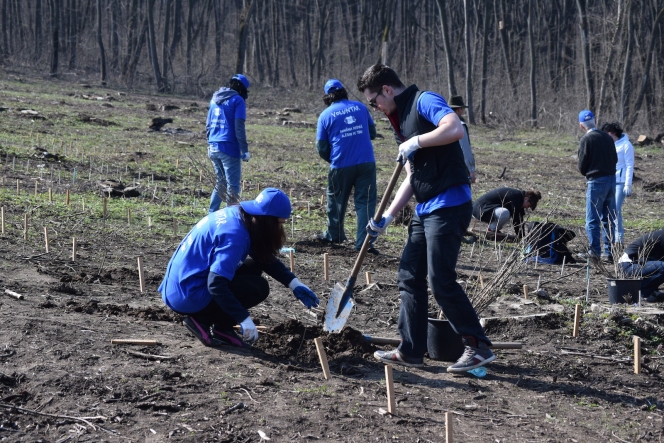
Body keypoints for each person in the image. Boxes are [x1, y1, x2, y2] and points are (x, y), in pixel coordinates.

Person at [357, 64, 494, 373]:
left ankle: (478, 346)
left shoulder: (424, 101)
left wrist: (417, 141)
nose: (375, 108)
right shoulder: (399, 120)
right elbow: (412, 177)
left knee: (440, 279)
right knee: (409, 275)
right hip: (425, 208)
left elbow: (454, 127)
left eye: (373, 100)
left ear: (387, 90)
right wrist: (388, 216)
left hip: (449, 204)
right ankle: (410, 350)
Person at [159, 188, 320, 347]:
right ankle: (201, 320)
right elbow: (215, 284)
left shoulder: (241, 216)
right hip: (186, 295)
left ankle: (222, 328)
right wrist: (243, 318)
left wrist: (294, 283)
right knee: (258, 288)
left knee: (253, 267)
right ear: (267, 221)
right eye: (279, 223)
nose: (280, 229)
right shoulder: (235, 236)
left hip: (183, 283)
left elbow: (262, 257)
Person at [314, 79, 378, 253]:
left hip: (340, 164)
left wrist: (333, 158)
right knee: (365, 203)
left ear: (327, 97)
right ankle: (364, 244)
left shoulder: (325, 115)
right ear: (344, 91)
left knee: (336, 200)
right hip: (366, 162)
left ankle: (334, 235)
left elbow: (321, 147)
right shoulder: (361, 107)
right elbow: (372, 133)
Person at [206, 74, 251, 212]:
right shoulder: (237, 100)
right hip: (228, 147)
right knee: (233, 186)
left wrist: (210, 141)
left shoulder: (215, 98)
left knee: (221, 183)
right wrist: (244, 149)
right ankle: (230, 217)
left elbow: (208, 124)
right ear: (243, 89)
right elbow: (239, 126)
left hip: (213, 145)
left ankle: (211, 214)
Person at [577, 110, 618, 261]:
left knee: (593, 219)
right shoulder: (607, 138)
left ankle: (594, 252)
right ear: (595, 121)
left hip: (596, 182)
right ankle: (609, 253)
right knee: (608, 218)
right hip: (612, 180)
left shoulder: (586, 140)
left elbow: (582, 167)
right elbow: (615, 158)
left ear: (582, 126)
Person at [601, 122, 634, 246]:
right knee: (608, 210)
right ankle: (611, 238)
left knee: (615, 210)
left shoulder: (626, 145)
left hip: (621, 182)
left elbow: (630, 165)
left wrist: (628, 184)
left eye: (607, 133)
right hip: (609, 180)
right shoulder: (608, 144)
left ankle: (619, 239)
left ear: (613, 132)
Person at [472, 187, 542, 241]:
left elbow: (519, 219)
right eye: (528, 205)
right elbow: (516, 219)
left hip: (483, 209)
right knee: (505, 213)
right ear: (526, 198)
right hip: (480, 209)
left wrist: (522, 236)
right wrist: (521, 237)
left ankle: (494, 230)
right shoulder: (516, 197)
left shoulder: (518, 197)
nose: (527, 208)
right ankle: (491, 231)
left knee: (507, 212)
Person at [619, 229, 664, 302]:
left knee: (661, 266)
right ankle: (642, 291)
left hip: (640, 264)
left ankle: (651, 290)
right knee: (662, 266)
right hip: (629, 265)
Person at [449, 95, 476, 183]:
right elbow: (465, 149)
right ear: (459, 109)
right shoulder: (460, 125)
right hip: (459, 170)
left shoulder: (440, 124)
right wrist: (471, 170)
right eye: (463, 108)